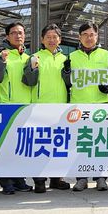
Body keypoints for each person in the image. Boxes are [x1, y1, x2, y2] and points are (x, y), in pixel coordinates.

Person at [63, 22, 108, 192]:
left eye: (91, 34)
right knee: (82, 143)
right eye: (84, 34)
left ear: (97, 36)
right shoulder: (72, 56)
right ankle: (81, 178)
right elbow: (66, 83)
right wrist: (65, 73)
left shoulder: (106, 55)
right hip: (79, 106)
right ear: (79, 37)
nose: (88, 37)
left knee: (101, 142)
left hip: (101, 105)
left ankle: (101, 177)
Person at [23, 23, 72, 193]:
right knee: (41, 146)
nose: (52, 40)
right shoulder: (35, 57)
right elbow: (28, 81)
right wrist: (32, 69)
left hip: (61, 108)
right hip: (40, 108)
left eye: (55, 37)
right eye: (48, 37)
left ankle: (56, 179)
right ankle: (39, 180)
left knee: (58, 145)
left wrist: (68, 74)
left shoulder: (67, 59)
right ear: (42, 40)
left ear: (60, 39)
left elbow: (71, 83)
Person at [0, 22, 34, 195]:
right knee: (6, 148)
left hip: (25, 108)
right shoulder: (1, 56)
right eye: (13, 33)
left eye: (20, 32)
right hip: (7, 107)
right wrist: (1, 61)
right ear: (7, 36)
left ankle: (20, 180)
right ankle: (6, 182)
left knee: (21, 147)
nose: (18, 36)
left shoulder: (29, 58)